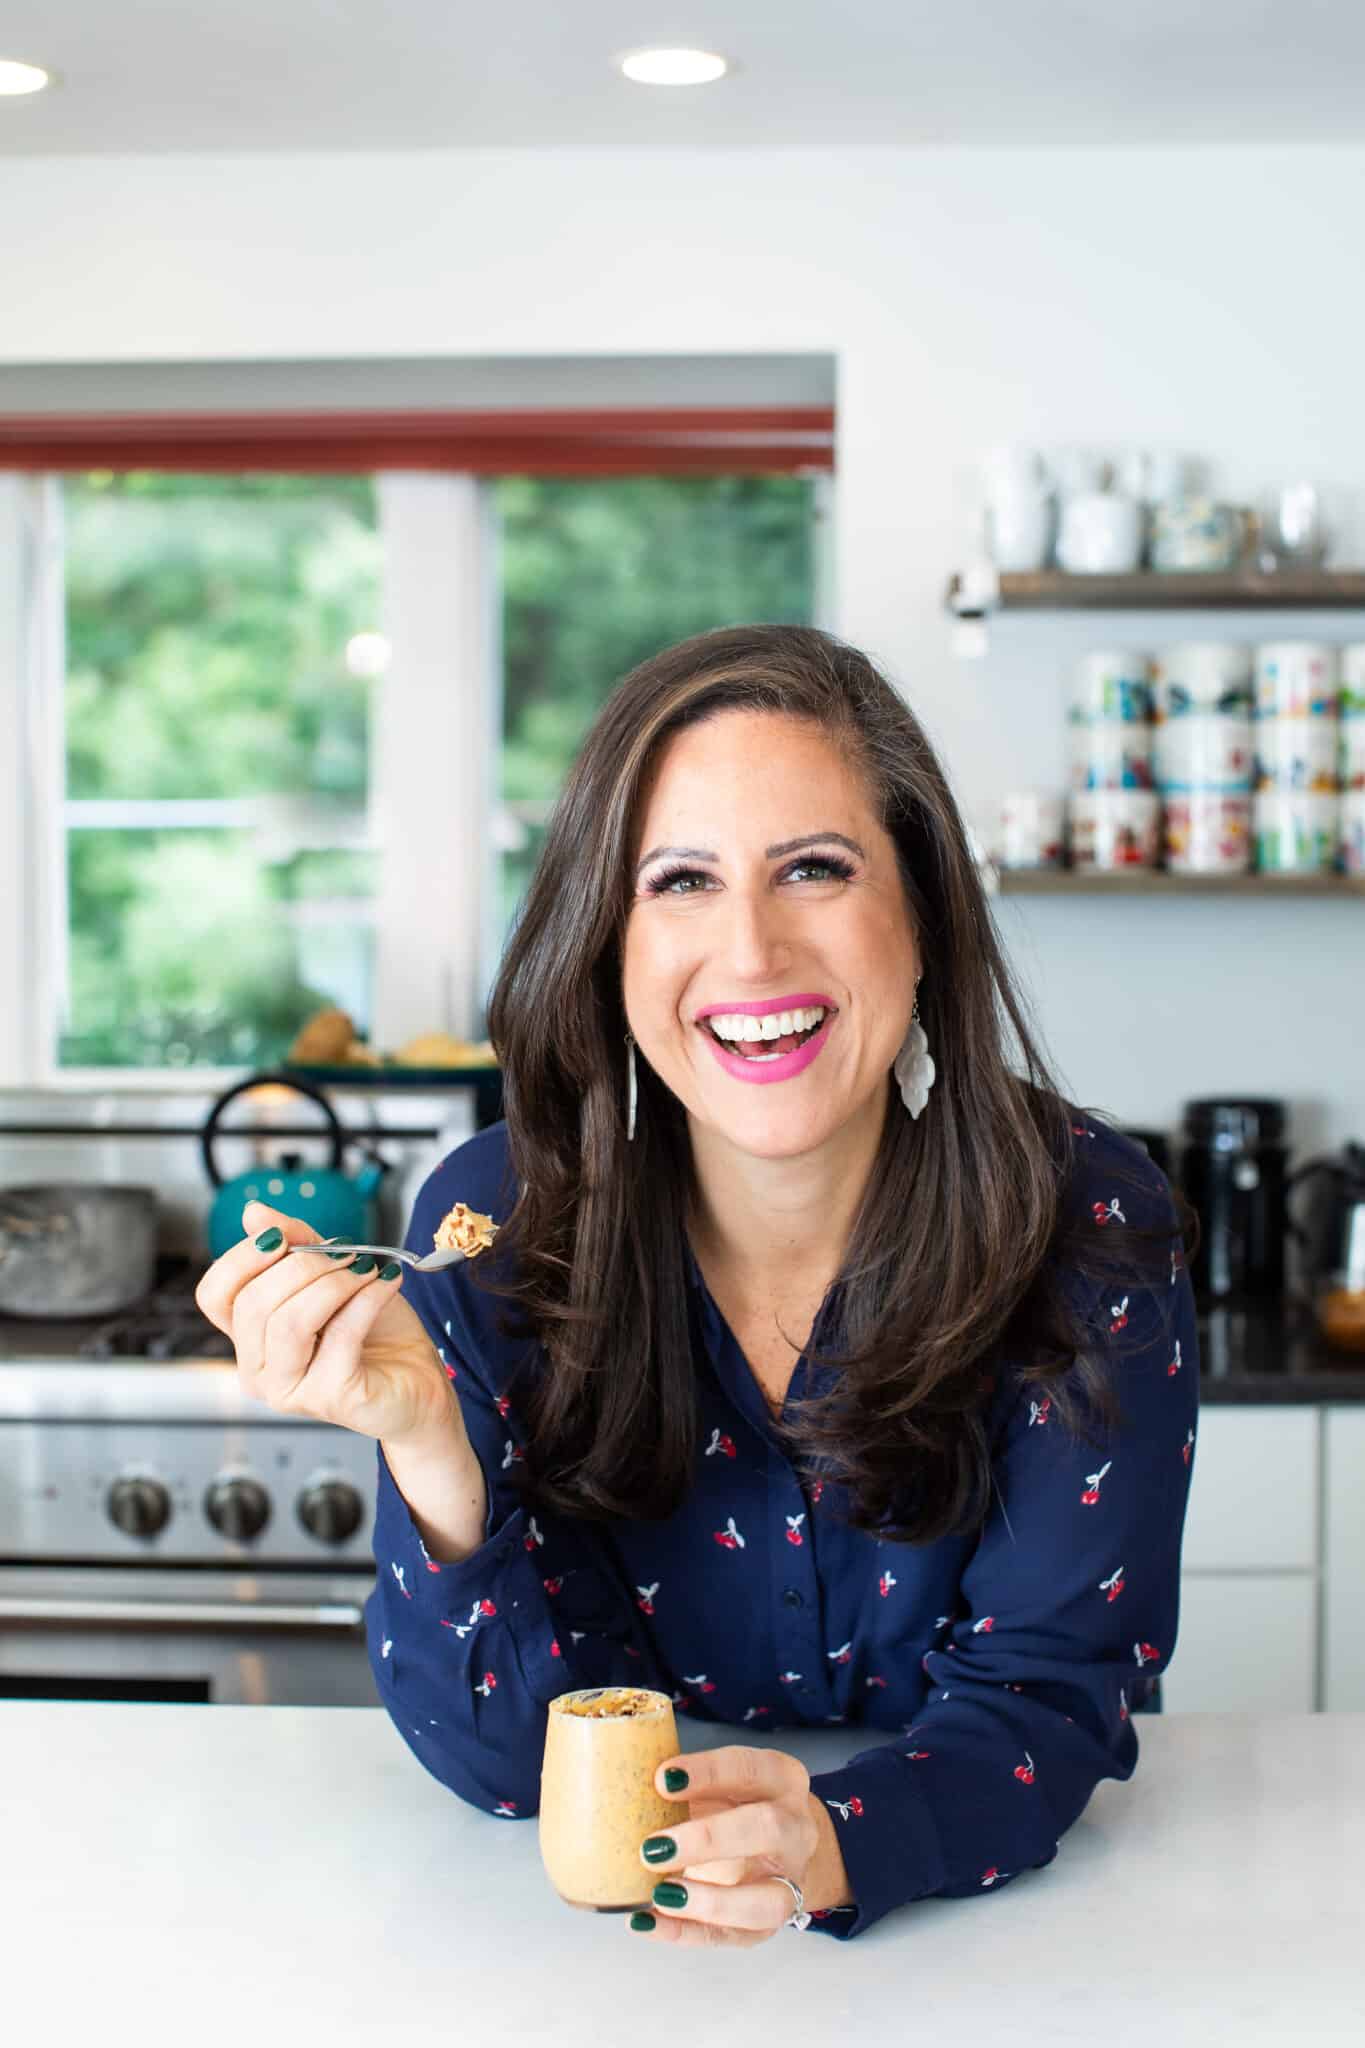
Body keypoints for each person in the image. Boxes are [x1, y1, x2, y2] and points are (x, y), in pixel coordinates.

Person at [197, 623, 1199, 1949]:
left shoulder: (1084, 1221)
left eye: (814, 870)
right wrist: (430, 1451)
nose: (750, 952)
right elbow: (507, 1770)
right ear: (607, 946)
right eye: (678, 882)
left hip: (1006, 1957)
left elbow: (1048, 1700)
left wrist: (834, 1841)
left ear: (920, 920)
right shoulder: (494, 1222)